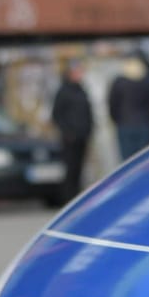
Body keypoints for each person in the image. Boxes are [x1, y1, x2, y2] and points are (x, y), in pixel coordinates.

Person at [49, 60, 95, 200]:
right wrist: (68, 132)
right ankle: (68, 197)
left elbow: (88, 111)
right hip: (70, 138)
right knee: (71, 169)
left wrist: (89, 128)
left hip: (83, 136)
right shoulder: (63, 91)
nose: (80, 75)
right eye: (77, 72)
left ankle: (77, 196)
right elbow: (56, 115)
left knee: (79, 169)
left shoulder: (81, 89)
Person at [107, 52, 149, 163]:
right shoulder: (148, 80)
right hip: (144, 124)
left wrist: (117, 120)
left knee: (128, 162)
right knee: (144, 160)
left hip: (125, 125)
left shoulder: (119, 81)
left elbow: (112, 104)